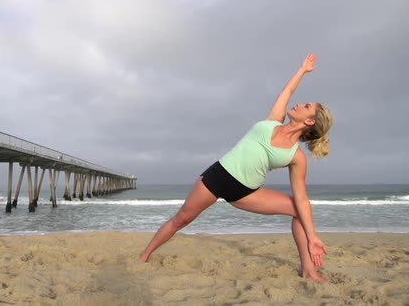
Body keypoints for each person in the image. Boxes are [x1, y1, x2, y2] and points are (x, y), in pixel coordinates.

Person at [139, 54, 333, 282]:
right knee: (181, 219)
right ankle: (144, 256)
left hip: (245, 192)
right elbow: (287, 91)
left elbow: (302, 198)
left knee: (298, 210)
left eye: (306, 106)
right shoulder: (273, 120)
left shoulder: (297, 157)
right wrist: (302, 70)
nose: (299, 104)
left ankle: (309, 270)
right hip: (218, 176)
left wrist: (313, 237)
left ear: (309, 121)